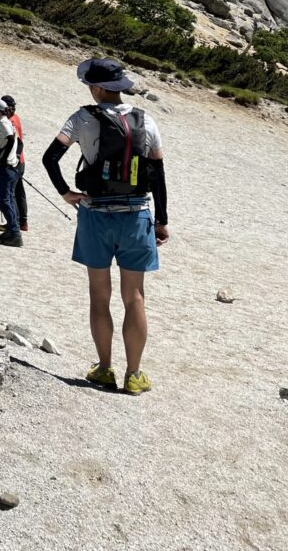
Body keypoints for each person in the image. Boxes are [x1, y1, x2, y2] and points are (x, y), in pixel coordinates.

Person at [42, 57, 169, 396]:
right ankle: (134, 375)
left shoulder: (83, 117)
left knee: (100, 295)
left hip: (95, 214)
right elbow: (156, 174)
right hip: (137, 216)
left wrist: (66, 193)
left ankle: (103, 369)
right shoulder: (146, 119)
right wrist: (162, 221)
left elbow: (50, 157)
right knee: (135, 297)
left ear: (98, 88)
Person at [0, 98, 23, 247]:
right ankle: (11, 230)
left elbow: (9, 138)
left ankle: (14, 233)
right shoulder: (5, 122)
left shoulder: (3, 123)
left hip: (6, 168)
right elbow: (17, 141)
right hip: (11, 167)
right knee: (8, 199)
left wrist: (3, 158)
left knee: (4, 201)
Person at [1, 94, 28, 233]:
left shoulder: (10, 122)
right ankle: (23, 221)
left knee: (11, 193)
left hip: (14, 162)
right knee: (19, 192)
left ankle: (15, 222)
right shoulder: (15, 118)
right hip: (21, 161)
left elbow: (15, 142)